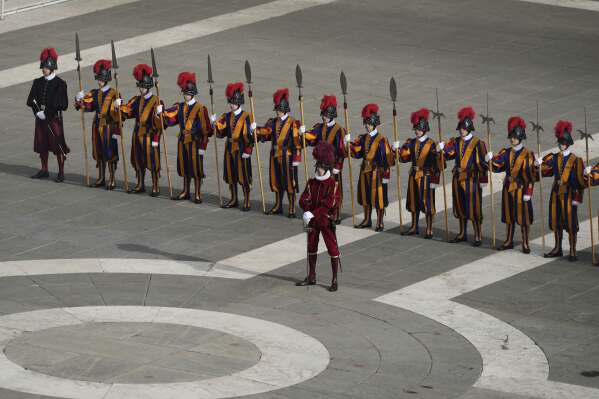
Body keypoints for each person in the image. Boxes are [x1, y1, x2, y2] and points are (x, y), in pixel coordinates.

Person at [439, 106, 490, 246]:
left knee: (474, 208)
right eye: (460, 128)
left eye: (463, 128)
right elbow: (450, 155)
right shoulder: (455, 141)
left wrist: (483, 179)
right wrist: (443, 149)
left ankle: (478, 235)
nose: (461, 130)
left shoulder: (478, 144)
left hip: (472, 179)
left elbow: (484, 163)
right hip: (458, 178)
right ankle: (462, 233)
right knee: (460, 206)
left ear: (469, 128)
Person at [160, 71, 212, 203]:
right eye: (184, 93)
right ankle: (186, 191)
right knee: (184, 167)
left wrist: (203, 146)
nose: (186, 95)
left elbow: (206, 130)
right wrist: (162, 112)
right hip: (182, 141)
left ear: (193, 93)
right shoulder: (180, 106)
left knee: (196, 169)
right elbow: (171, 118)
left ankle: (198, 193)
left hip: (195, 142)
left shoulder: (201, 109)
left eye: (188, 93)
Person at [539, 120, 586, 261]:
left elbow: (580, 182)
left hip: (570, 194)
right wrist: (539, 164)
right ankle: (557, 248)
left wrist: (578, 198)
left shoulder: (576, 160)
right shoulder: (554, 157)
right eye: (560, 142)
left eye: (564, 143)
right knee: (556, 221)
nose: (561, 145)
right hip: (555, 193)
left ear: (568, 143)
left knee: (571, 223)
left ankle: (572, 249)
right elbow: (546, 171)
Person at [298, 141, 341, 292]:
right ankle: (311, 275)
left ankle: (334, 279)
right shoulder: (312, 182)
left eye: (322, 168)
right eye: (318, 167)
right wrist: (307, 210)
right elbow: (303, 198)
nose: (319, 170)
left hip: (325, 221)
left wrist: (313, 212)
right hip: (312, 221)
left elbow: (329, 204)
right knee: (311, 247)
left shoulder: (333, 185)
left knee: (332, 249)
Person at [490, 117, 538, 253]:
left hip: (521, 189)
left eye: (515, 137)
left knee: (524, 218)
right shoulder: (506, 152)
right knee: (509, 216)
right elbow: (497, 166)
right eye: (511, 137)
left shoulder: (528, 154)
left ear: (520, 138)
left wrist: (529, 192)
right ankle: (508, 240)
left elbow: (532, 176)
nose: (513, 139)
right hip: (508, 188)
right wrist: (490, 159)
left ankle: (525, 242)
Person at [253, 88, 302, 217]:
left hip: (287, 157)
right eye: (277, 109)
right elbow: (267, 132)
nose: (278, 112)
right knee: (276, 181)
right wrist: (256, 130)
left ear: (285, 109)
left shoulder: (293, 123)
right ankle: (278, 205)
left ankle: (291, 206)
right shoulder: (272, 122)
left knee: (289, 182)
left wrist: (297, 159)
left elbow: (297, 142)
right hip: (274, 155)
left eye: (279, 110)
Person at [299, 95, 348, 223]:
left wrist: (338, 166)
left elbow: (341, 151)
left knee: (334, 190)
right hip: (321, 164)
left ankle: (335, 212)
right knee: (321, 189)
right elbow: (312, 137)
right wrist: (303, 134)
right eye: (323, 114)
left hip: (333, 165)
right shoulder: (319, 127)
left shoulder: (339, 130)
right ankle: (322, 210)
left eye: (325, 115)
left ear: (331, 115)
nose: (323, 117)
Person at [394, 108, 441, 238]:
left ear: (424, 129)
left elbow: (437, 165)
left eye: (419, 129)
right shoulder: (411, 142)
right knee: (413, 202)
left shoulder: (432, 144)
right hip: (413, 175)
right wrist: (397, 150)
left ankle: (429, 228)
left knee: (427, 203)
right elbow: (404, 158)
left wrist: (435, 181)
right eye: (415, 128)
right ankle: (414, 226)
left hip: (426, 177)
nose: (416, 131)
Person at [118, 64, 163, 196]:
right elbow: (128, 111)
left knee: (153, 162)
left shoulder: (157, 101)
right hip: (137, 134)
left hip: (150, 135)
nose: (141, 89)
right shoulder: (137, 100)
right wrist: (119, 106)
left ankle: (155, 185)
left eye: (143, 86)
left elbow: (160, 124)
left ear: (148, 86)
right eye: (140, 86)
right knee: (137, 159)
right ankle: (140, 184)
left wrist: (161, 114)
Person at [74, 59, 120, 189]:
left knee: (110, 153)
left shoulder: (114, 93)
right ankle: (101, 178)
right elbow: (87, 106)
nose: (98, 80)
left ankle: (112, 179)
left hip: (109, 126)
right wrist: (79, 99)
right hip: (97, 124)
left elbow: (119, 115)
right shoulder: (95, 93)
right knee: (99, 152)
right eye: (98, 78)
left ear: (105, 78)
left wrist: (118, 107)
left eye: (100, 78)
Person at [348, 103, 394, 231]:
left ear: (374, 124)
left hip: (377, 172)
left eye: (368, 124)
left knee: (379, 197)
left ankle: (379, 222)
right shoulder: (363, 138)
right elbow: (357, 153)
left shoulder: (381, 139)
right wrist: (349, 145)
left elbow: (387, 160)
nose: (366, 126)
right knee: (365, 196)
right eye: (365, 124)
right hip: (365, 170)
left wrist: (385, 176)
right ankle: (367, 219)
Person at [27, 47, 69, 182]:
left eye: (45, 67)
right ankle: (44, 169)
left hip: (53, 119)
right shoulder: (37, 82)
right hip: (40, 119)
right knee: (42, 144)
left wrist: (46, 113)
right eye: (42, 67)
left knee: (58, 145)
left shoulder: (60, 84)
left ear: (52, 67)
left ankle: (61, 172)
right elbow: (31, 100)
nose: (43, 69)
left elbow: (61, 103)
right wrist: (37, 112)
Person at [212, 82, 253, 210]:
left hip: (241, 149)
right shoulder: (227, 116)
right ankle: (234, 198)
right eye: (230, 102)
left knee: (244, 176)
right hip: (229, 148)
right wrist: (215, 123)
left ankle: (246, 200)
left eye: (233, 102)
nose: (231, 105)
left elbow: (250, 136)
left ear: (239, 102)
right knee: (231, 175)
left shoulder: (246, 117)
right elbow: (221, 132)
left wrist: (248, 150)